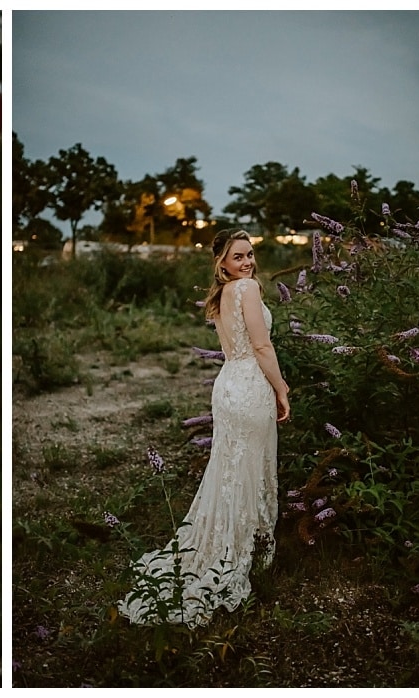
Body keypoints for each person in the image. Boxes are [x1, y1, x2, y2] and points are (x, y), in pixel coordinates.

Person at [118, 229, 290, 627]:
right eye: (238, 256)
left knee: (230, 468)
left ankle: (234, 541)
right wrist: (281, 388)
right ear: (223, 263)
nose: (247, 262)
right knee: (246, 468)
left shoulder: (223, 294)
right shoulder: (246, 289)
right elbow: (262, 348)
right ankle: (244, 549)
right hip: (249, 387)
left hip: (229, 384)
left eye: (250, 255)